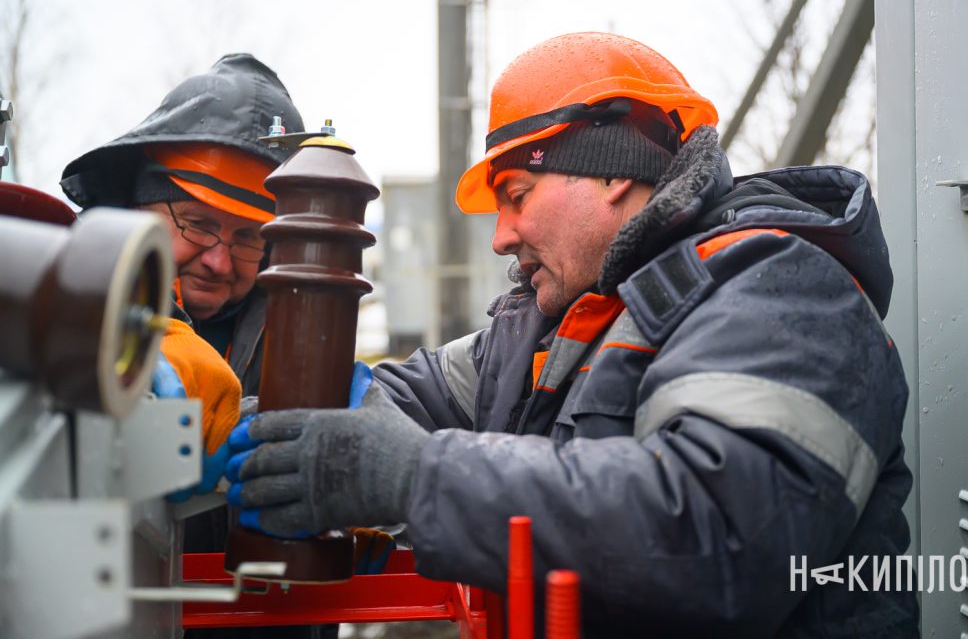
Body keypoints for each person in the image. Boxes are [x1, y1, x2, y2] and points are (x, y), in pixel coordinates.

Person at [226, 32, 919, 637]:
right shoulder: (551, 326)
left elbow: (717, 536)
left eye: (516, 196)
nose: (500, 237)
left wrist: (413, 478)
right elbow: (409, 399)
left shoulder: (783, 293)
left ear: (613, 169)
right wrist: (268, 420)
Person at [61, 55, 340, 639]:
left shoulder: (299, 327)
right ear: (138, 206)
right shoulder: (51, 290)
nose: (219, 259)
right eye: (197, 223)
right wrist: (132, 331)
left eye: (248, 236)